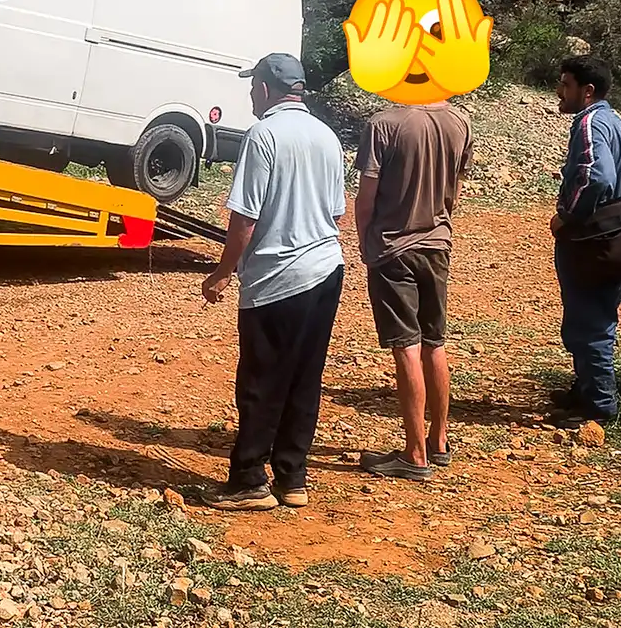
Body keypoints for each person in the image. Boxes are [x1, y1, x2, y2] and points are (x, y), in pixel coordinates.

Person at [200, 53, 347, 511]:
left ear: (265, 88)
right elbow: (337, 210)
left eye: (252, 86)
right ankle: (292, 477)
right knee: (305, 375)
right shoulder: (327, 136)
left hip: (278, 277)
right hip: (325, 270)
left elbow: (245, 216)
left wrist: (223, 273)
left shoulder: (264, 135)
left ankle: (248, 480)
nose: (249, 94)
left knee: (262, 378)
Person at [354, 93, 472, 481]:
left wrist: (364, 242)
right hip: (438, 244)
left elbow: (366, 198)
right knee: (434, 342)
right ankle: (438, 441)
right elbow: (454, 189)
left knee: (406, 345)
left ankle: (414, 453)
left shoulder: (384, 124)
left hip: (393, 247)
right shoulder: (460, 122)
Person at [550, 56, 621, 424]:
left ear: (587, 92)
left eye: (566, 84)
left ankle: (599, 409)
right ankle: (586, 389)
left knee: (589, 325)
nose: (559, 90)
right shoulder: (614, 121)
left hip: (594, 242)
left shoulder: (589, 123)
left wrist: (567, 216)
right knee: (594, 317)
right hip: (617, 239)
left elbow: (596, 174)